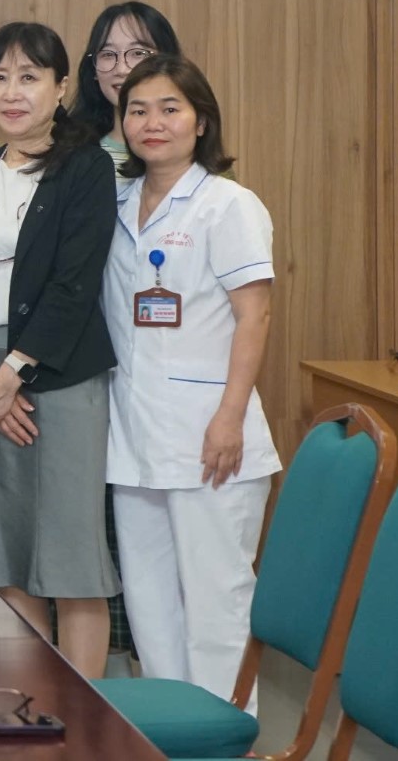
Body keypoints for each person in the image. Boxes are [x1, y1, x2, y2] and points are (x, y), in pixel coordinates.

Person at [0, 21, 119, 678]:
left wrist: (10, 376)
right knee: (0, 550)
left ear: (60, 86)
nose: (12, 93)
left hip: (58, 375)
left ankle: (87, 716)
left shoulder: (86, 167)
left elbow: (74, 285)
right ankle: (35, 700)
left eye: (29, 77)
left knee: (68, 554)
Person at [104, 55, 279, 700]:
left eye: (170, 109)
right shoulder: (117, 203)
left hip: (211, 437)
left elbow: (255, 315)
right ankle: (174, 735)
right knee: (150, 607)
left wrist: (229, 418)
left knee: (216, 604)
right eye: (138, 110)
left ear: (201, 121)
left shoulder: (227, 205)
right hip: (135, 439)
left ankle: (230, 737)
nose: (152, 123)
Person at [71, 1, 182, 170]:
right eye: (108, 54)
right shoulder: (71, 155)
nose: (121, 69)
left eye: (138, 53)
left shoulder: (189, 155)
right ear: (93, 70)